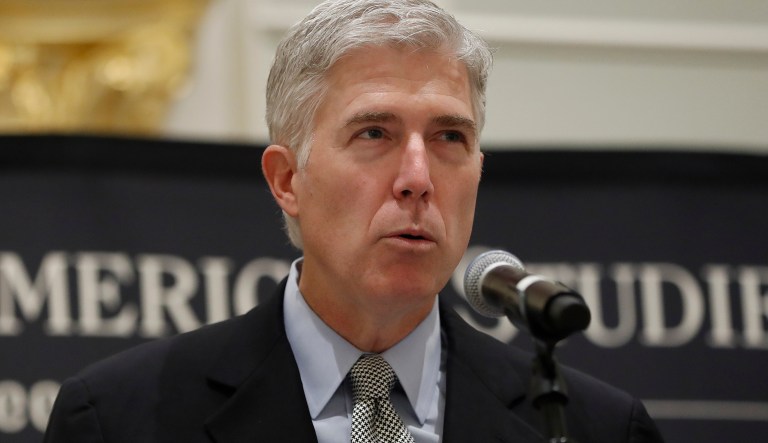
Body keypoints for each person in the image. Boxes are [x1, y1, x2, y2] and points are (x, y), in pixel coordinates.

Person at [43, 0, 665, 442]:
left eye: (450, 136)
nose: (418, 177)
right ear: (288, 180)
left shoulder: (590, 425)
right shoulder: (119, 419)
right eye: (374, 132)